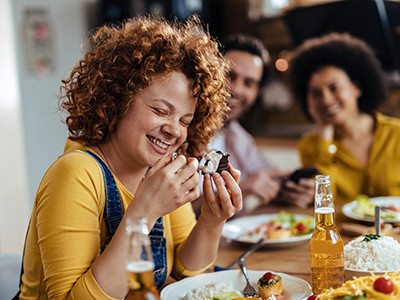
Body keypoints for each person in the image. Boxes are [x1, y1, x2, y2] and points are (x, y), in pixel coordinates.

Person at [17, 15, 242, 300]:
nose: (174, 130)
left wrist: (212, 219)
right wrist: (145, 212)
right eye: (160, 111)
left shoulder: (158, 171)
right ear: (118, 99)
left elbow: (190, 276)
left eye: (185, 120)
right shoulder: (76, 173)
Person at [193, 33, 314, 216]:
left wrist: (294, 192)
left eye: (249, 83)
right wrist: (242, 188)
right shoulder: (179, 132)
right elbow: (171, 215)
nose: (236, 89)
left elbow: (269, 177)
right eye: (229, 75)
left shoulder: (237, 135)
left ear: (257, 92)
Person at [289, 32, 400, 203]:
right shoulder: (310, 145)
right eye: (316, 93)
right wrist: (324, 138)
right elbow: (323, 202)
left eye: (334, 88)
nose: (326, 99)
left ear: (356, 88)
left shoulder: (396, 134)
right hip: (342, 230)